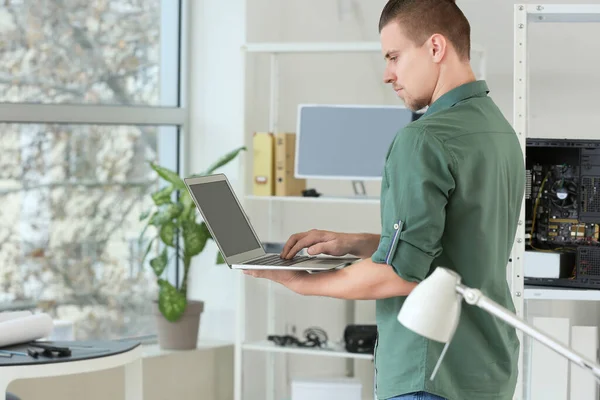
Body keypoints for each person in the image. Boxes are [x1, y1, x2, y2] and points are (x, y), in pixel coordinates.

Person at [243, 0, 525, 399]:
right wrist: (357, 243)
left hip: (428, 371)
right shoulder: (497, 130)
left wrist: (302, 282)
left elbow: (402, 275)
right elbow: (455, 248)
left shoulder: (422, 138)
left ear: (435, 47)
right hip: (486, 367)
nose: (387, 74)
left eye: (394, 56)